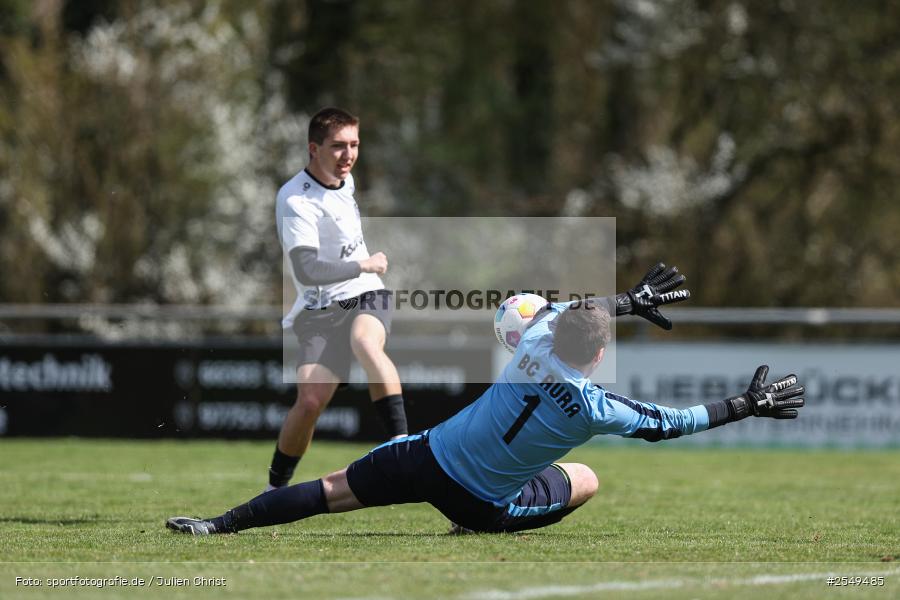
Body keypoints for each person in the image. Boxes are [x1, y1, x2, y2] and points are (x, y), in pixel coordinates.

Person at [167, 264, 805, 535]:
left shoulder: (534, 338)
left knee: (330, 491)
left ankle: (218, 525)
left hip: (424, 457)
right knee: (586, 477)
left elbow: (573, 311)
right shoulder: (597, 406)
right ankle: (477, 522)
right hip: (478, 504)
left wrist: (628, 300)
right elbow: (672, 422)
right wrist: (745, 405)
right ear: (599, 356)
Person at [269, 107, 407, 491]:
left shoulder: (344, 180)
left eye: (354, 145)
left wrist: (365, 272)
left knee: (365, 341)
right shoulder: (296, 200)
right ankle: (274, 489)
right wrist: (364, 263)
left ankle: (403, 446)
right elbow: (308, 270)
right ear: (313, 149)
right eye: (338, 146)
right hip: (319, 308)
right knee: (310, 402)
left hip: (366, 294)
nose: (348, 155)